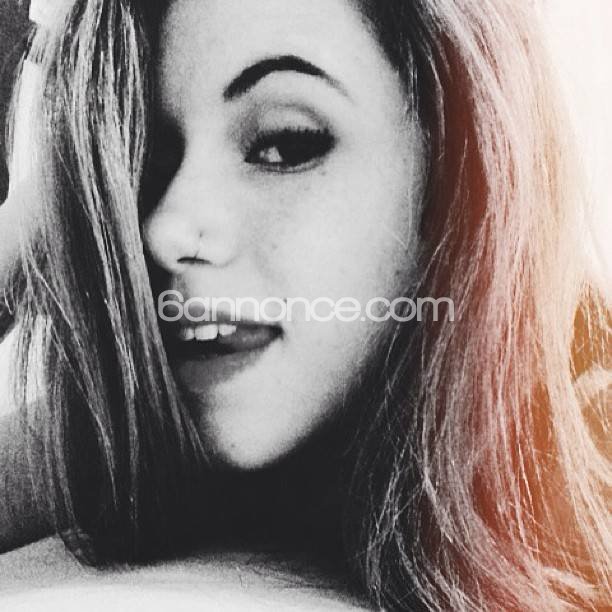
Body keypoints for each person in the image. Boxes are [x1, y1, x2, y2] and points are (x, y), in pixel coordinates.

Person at [0, 0, 609, 610]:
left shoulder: (585, 431)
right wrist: (49, 207)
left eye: (285, 145)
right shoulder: (139, 429)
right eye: (147, 159)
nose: (163, 229)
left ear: (458, 168)